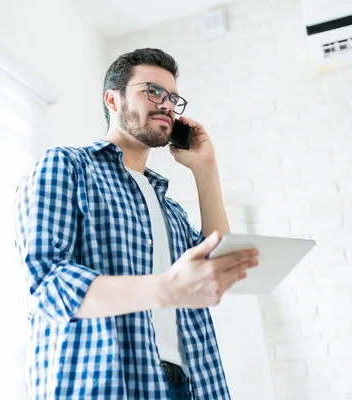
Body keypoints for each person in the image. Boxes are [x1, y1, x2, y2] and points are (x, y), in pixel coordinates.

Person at [14, 48, 259, 400]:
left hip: (187, 385)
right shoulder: (67, 166)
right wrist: (167, 288)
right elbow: (49, 284)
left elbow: (216, 266)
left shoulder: (168, 206)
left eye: (173, 97)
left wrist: (206, 169)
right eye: (152, 91)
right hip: (104, 385)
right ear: (113, 100)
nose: (167, 105)